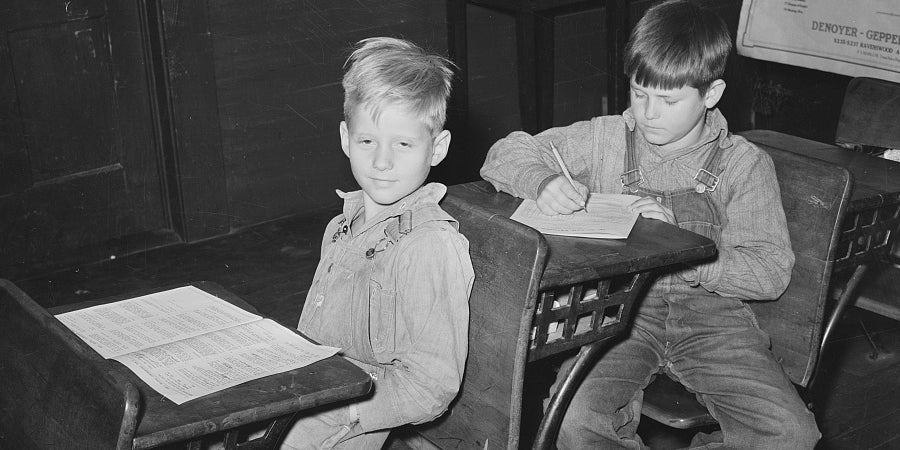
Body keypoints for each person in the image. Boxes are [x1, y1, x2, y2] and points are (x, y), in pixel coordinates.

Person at [480, 1, 820, 448]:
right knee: (573, 419)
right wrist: (541, 181)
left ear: (711, 95)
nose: (648, 113)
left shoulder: (743, 165)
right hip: (621, 312)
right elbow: (505, 153)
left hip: (713, 320)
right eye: (639, 93)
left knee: (790, 433)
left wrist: (686, 251)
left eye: (668, 99)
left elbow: (771, 270)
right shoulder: (607, 138)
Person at [280, 37, 475, 449]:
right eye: (368, 141)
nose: (382, 162)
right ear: (346, 138)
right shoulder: (339, 227)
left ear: (436, 148)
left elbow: (430, 387)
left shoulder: (429, 246)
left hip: (346, 418)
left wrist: (344, 409)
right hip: (309, 390)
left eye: (403, 144)